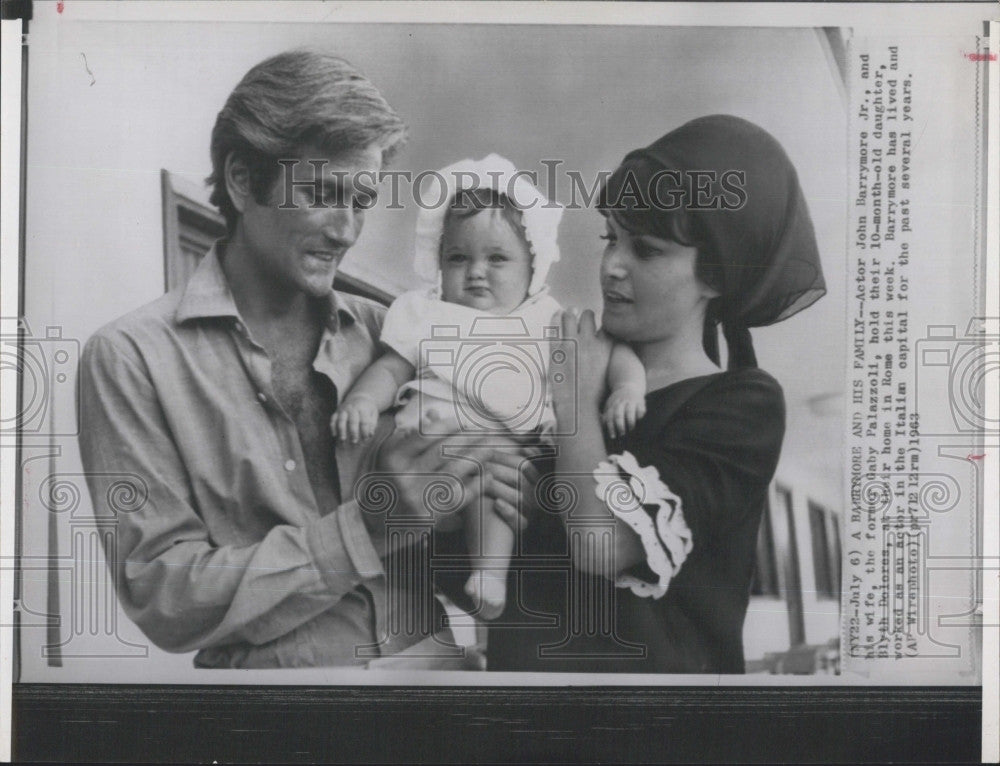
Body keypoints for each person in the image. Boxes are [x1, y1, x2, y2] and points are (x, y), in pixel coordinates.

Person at [77, 50, 492, 668]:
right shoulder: (130, 358)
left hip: (440, 682)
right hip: (276, 721)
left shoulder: (392, 335)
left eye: (362, 201)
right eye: (324, 193)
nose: (347, 231)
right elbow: (165, 595)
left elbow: (464, 555)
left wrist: (474, 501)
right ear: (243, 180)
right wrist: (366, 529)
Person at [486, 115, 826, 673]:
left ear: (715, 276)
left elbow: (601, 546)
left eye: (644, 250)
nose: (611, 266)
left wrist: (572, 400)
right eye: (610, 238)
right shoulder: (582, 383)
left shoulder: (744, 402)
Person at [333, 155, 647, 620]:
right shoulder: (426, 311)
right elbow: (392, 367)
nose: (476, 271)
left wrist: (627, 389)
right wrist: (362, 399)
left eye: (497, 259)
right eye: (459, 258)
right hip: (424, 448)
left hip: (495, 455)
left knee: (498, 482)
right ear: (439, 263)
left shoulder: (543, 318)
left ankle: (489, 574)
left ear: (532, 267)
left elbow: (613, 353)